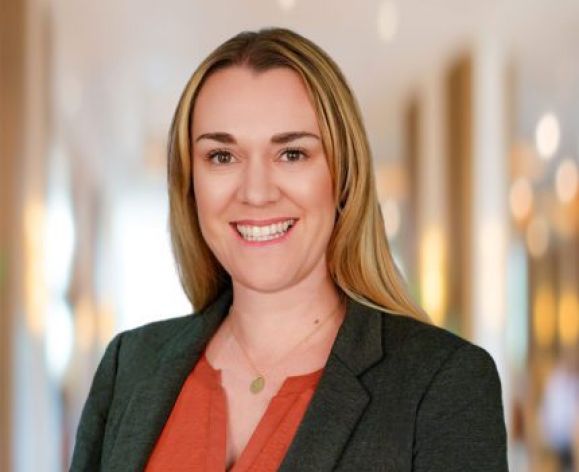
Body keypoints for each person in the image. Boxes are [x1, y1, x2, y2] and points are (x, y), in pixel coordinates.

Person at [69, 27, 508, 471]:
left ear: (344, 176)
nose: (256, 192)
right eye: (222, 156)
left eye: (292, 154)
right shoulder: (130, 367)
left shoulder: (442, 382)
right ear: (189, 183)